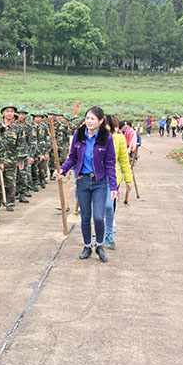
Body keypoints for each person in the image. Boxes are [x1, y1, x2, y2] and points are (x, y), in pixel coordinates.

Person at [57, 106, 118, 262]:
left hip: (100, 182)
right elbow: (72, 158)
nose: (89, 121)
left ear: (101, 120)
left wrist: (113, 186)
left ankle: (99, 245)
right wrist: (62, 170)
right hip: (83, 181)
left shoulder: (106, 137)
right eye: (87, 118)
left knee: (98, 217)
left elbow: (110, 162)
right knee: (85, 217)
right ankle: (86, 246)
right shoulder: (79, 135)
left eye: (92, 119)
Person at [103, 115, 133, 250]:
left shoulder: (119, 138)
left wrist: (128, 179)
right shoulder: (92, 138)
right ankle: (100, 230)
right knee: (98, 209)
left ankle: (108, 232)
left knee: (109, 206)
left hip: (113, 177)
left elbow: (124, 161)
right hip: (96, 178)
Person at [0, 103, 27, 211]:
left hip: (11, 159)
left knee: (10, 182)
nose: (9, 113)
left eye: (11, 111)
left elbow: (21, 144)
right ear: (3, 113)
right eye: (7, 111)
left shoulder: (17, 128)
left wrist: (21, 159)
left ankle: (10, 202)